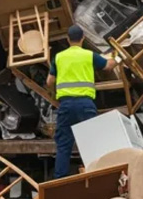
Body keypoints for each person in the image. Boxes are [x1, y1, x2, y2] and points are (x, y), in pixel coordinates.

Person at [46, 25, 118, 178]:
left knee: (63, 145)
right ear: (83, 38)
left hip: (66, 105)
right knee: (91, 144)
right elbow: (108, 66)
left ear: (68, 39)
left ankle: (59, 181)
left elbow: (49, 81)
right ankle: (93, 177)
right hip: (85, 105)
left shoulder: (59, 57)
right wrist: (116, 57)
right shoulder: (89, 55)